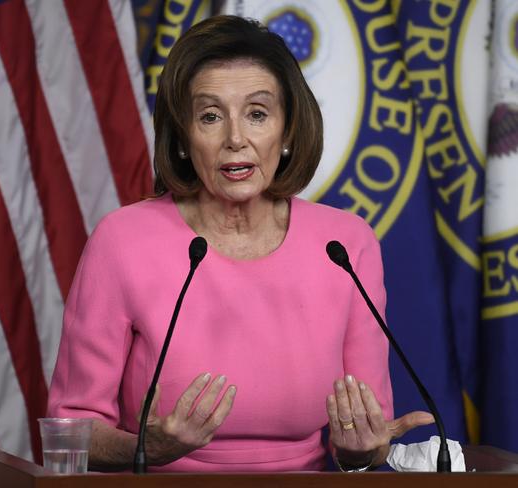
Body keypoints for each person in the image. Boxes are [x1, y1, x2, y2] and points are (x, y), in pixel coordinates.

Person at [47, 15, 433, 472]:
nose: (235, 139)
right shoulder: (122, 240)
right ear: (185, 138)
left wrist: (363, 449)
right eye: (210, 116)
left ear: (287, 132)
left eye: (257, 113)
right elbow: (68, 428)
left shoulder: (345, 244)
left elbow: (365, 437)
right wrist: (144, 448)